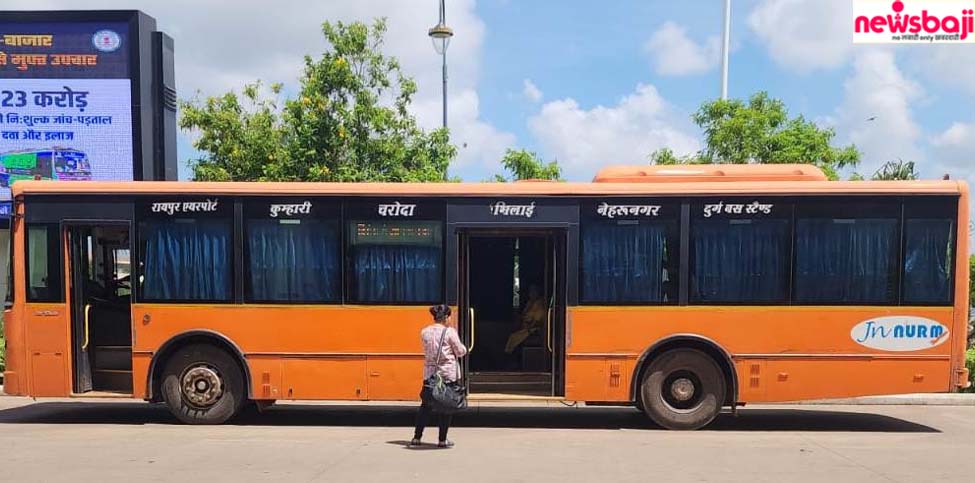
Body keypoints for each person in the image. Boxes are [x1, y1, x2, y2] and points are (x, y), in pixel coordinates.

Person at [411, 304, 468, 448]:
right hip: (447, 374)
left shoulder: (425, 332)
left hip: (430, 375)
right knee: (445, 407)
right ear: (447, 317)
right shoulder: (450, 332)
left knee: (425, 406)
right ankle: (442, 440)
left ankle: (417, 438)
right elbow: (460, 351)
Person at [504, 285, 547, 354]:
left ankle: (509, 354)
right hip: (525, 326)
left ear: (537, 293)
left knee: (513, 337)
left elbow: (538, 319)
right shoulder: (530, 302)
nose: (530, 294)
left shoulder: (540, 304)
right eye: (530, 292)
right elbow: (524, 314)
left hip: (533, 328)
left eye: (532, 292)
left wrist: (529, 327)